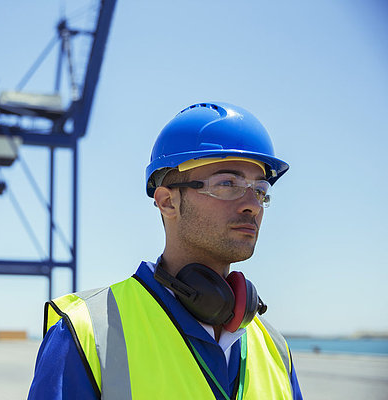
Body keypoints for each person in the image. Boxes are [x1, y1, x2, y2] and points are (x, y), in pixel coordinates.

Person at [28, 102, 303, 399]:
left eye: (260, 190)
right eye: (228, 183)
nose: (252, 203)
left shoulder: (275, 349)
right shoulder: (86, 334)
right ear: (167, 202)